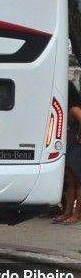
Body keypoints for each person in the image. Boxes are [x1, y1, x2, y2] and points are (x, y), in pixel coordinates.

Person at [53, 81, 81, 224]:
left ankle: (77, 215)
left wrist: (79, 136)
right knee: (71, 182)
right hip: (70, 147)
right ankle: (68, 212)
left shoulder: (74, 108)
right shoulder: (66, 108)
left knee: (78, 181)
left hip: (77, 147)